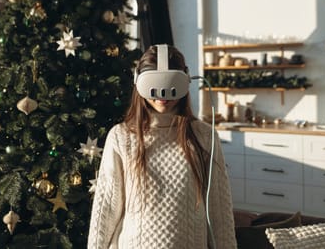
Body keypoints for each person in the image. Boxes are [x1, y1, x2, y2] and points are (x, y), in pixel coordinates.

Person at [88, 44, 237, 249]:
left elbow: (219, 210)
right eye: (154, 85)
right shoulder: (121, 136)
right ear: (138, 81)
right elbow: (105, 208)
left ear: (185, 80)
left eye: (171, 84)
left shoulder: (204, 136)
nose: (163, 95)